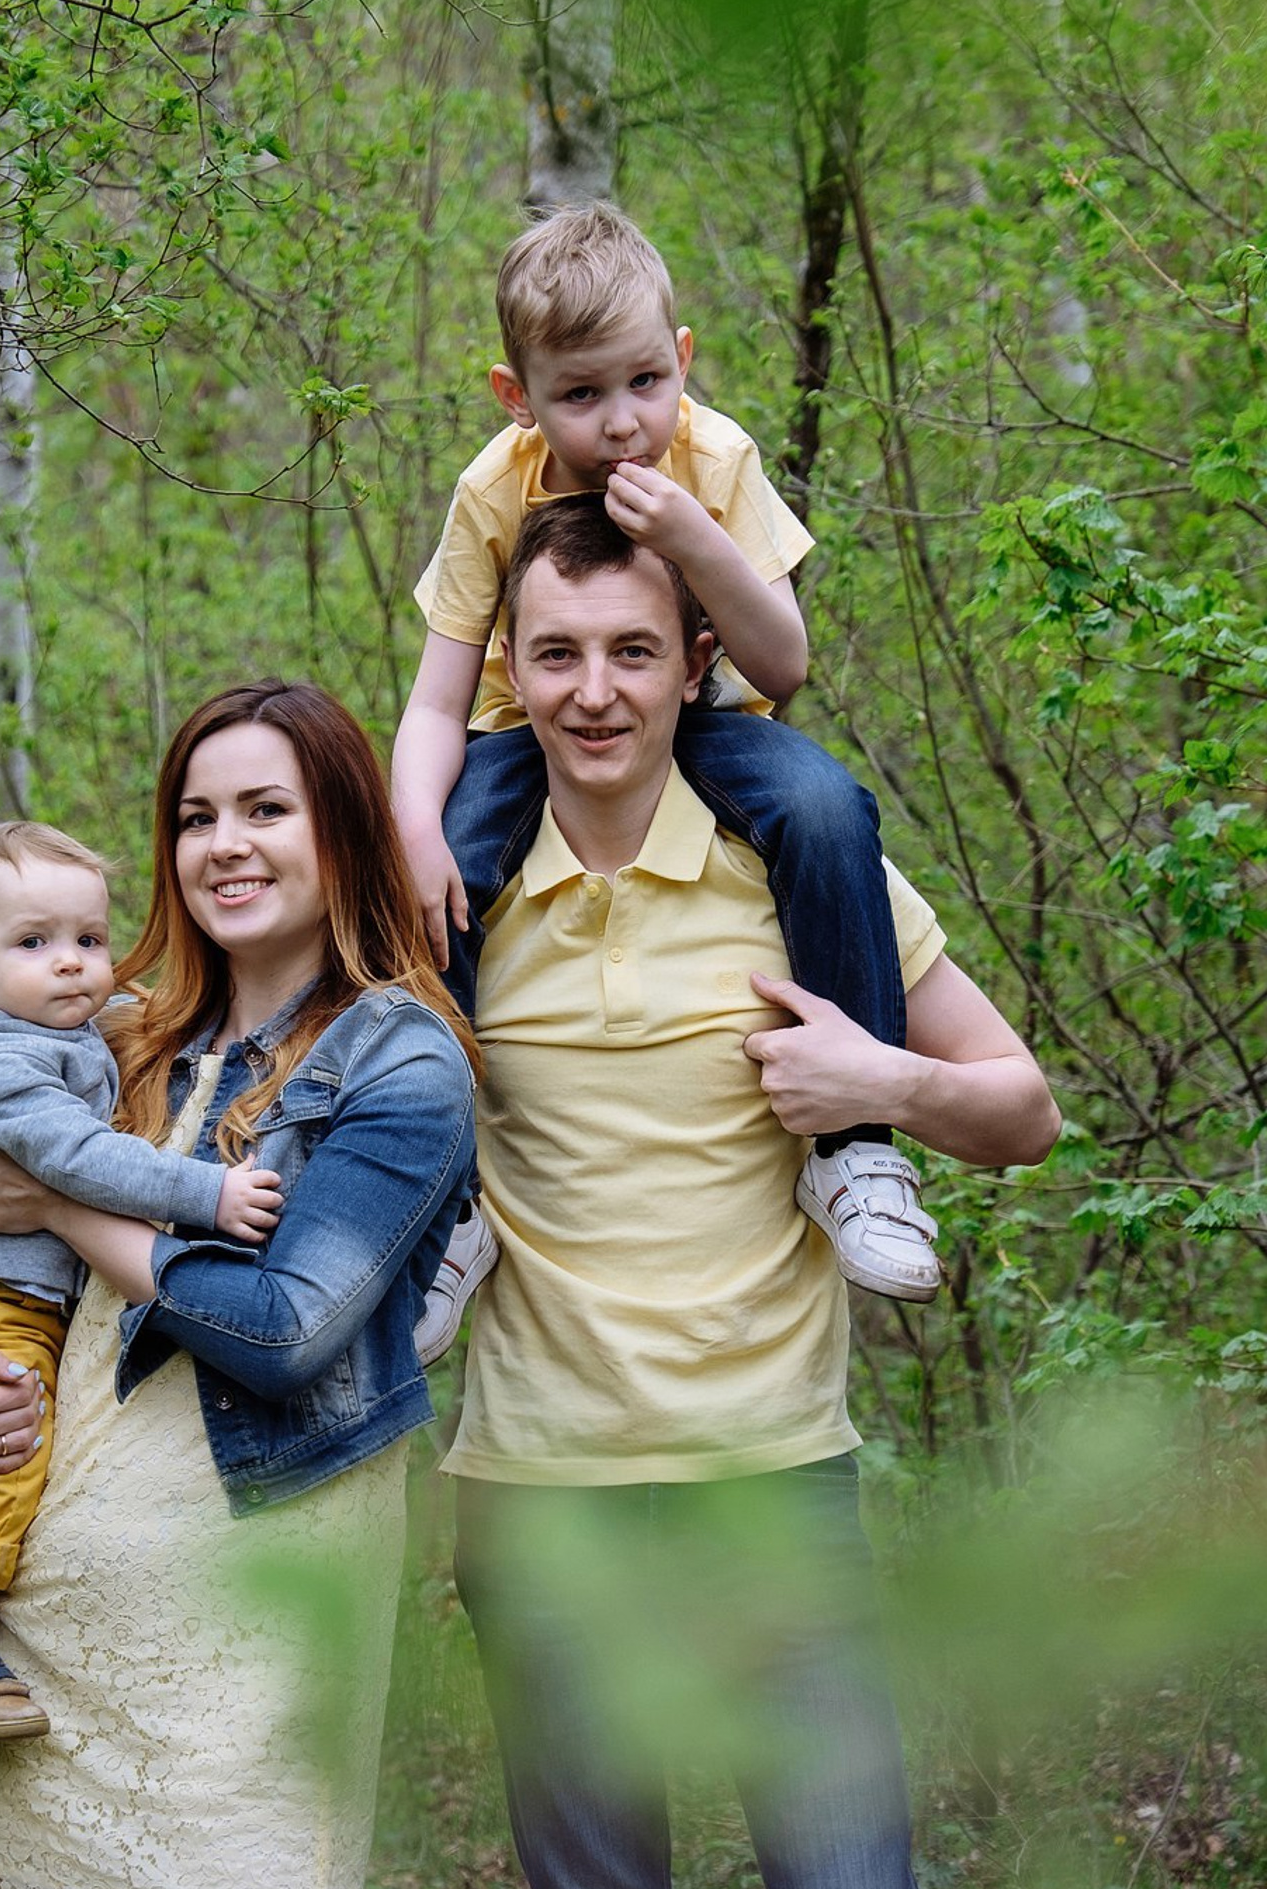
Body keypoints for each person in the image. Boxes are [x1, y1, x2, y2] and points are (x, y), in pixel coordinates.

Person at [443, 496, 1060, 1889]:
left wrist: (879, 1076)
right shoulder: (448, 897)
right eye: (557, 655)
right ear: (511, 670)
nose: (594, 693)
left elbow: (1024, 1112)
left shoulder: (805, 865)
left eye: (633, 652)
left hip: (777, 1491)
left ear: (694, 658)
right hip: (542, 1503)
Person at [0, 682, 479, 1889]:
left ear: (346, 831)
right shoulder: (114, 1039)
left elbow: (284, 1332)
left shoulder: (401, 1059)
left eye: (267, 808)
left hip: (249, 1618)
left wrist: (55, 1206)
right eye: (196, 816)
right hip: (33, 1618)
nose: (225, 844)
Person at [393, 203, 939, 1365]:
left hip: (711, 717)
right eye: (580, 396)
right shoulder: (497, 487)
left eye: (645, 382)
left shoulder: (715, 458)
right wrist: (411, 829)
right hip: (524, 741)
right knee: (431, 890)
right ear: (517, 396)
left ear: (681, 360)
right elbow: (439, 702)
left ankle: (858, 1157)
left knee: (827, 806)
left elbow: (783, 667)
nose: (621, 424)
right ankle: (445, 1212)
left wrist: (696, 539)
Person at [0, 819, 283, 1741]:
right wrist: (208, 1194)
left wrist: (128, 1009)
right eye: (35, 944)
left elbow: (104, 1034)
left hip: (3, 1292)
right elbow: (83, 1158)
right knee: (7, 1451)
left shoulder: (42, 1034)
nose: (71, 965)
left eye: (89, 942)